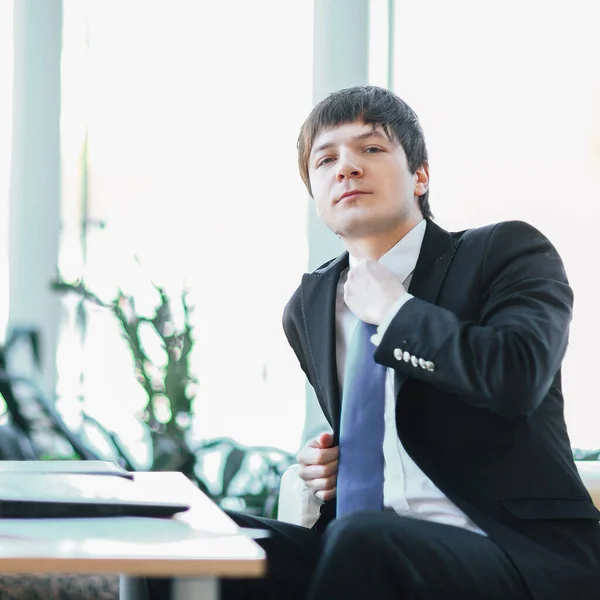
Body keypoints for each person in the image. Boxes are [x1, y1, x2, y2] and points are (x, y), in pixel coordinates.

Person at [152, 86, 600, 599]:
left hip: (510, 551)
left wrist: (395, 312)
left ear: (421, 176)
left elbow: (516, 377)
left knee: (365, 541)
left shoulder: (505, 252)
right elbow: (392, 421)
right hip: (361, 547)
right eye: (326, 160)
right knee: (181, 538)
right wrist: (338, 465)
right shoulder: (308, 307)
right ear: (316, 195)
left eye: (370, 149)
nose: (346, 167)